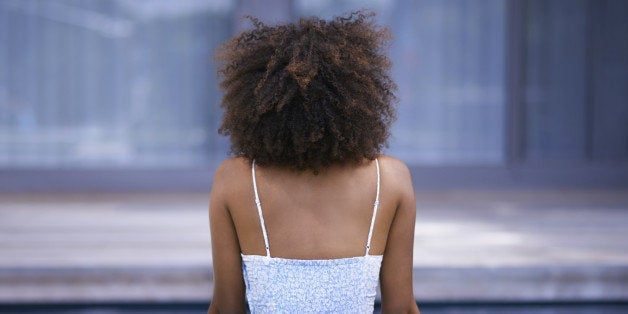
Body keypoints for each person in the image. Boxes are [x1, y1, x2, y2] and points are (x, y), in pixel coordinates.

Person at [207, 10, 419, 313]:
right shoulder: (390, 178)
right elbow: (402, 309)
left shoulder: (236, 179)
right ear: (357, 101)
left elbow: (225, 309)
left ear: (258, 102)